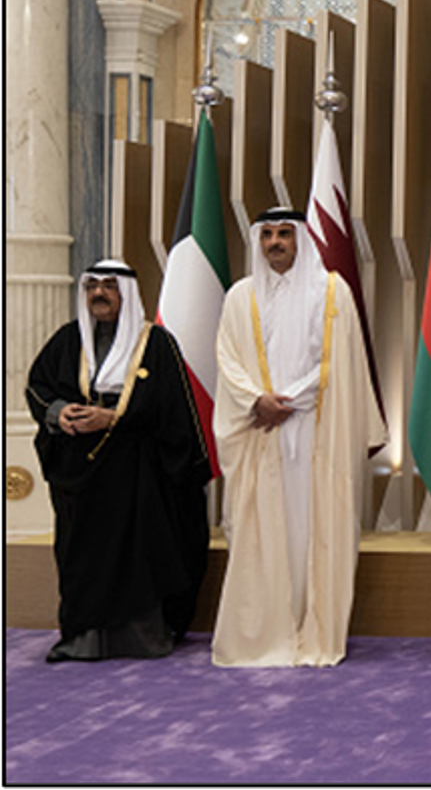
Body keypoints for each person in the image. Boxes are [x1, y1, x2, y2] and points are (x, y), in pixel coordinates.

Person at [211, 208, 385, 667]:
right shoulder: (240, 296)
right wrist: (257, 401)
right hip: (260, 428)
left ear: (300, 239)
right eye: (267, 234)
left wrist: (290, 401)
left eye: (284, 234)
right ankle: (267, 630)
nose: (275, 242)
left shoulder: (331, 292)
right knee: (261, 526)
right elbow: (227, 359)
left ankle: (313, 628)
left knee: (313, 526)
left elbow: (342, 361)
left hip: (316, 427)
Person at [24, 260, 210, 662]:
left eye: (109, 286)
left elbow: (173, 408)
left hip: (138, 471)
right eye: (92, 286)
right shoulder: (68, 339)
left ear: (126, 292)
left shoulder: (156, 343)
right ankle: (80, 637)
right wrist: (59, 412)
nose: (99, 293)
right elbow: (37, 385)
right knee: (81, 553)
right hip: (80, 470)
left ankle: (143, 638)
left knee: (138, 551)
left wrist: (115, 418)